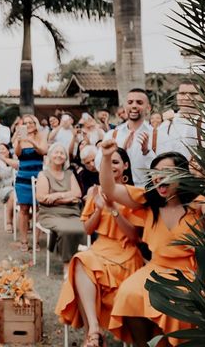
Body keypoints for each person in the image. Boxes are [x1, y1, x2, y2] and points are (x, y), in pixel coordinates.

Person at [99, 141, 205, 346]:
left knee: (176, 305)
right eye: (156, 172)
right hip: (155, 268)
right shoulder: (149, 203)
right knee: (129, 292)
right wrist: (106, 157)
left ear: (182, 175)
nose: (159, 177)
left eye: (167, 172)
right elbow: (109, 188)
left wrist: (201, 193)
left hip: (188, 275)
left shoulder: (198, 205)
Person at [56, 147, 143, 347]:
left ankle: (92, 337)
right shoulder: (95, 191)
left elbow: (135, 236)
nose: (111, 166)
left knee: (84, 264)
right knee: (81, 261)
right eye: (107, 162)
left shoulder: (134, 195)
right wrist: (97, 209)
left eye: (116, 162)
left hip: (125, 252)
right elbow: (87, 229)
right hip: (100, 248)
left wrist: (113, 210)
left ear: (125, 166)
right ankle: (94, 329)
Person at [35, 143, 86, 271]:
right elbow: (43, 198)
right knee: (65, 230)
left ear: (66, 157)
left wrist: (56, 195)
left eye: (62, 153)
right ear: (50, 156)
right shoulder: (43, 175)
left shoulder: (69, 174)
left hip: (72, 213)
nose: (59, 155)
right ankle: (67, 266)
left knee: (84, 228)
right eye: (56, 152)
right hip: (50, 214)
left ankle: (81, 262)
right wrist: (68, 199)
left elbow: (78, 194)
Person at [94, 88, 156, 186]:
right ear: (125, 106)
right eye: (130, 102)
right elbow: (98, 166)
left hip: (145, 192)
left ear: (148, 108)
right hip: (117, 192)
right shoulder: (112, 134)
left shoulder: (155, 134)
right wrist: (120, 152)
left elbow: (160, 171)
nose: (134, 106)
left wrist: (146, 152)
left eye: (139, 102)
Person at [13, 114, 48, 252]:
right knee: (24, 209)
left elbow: (43, 151)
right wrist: (20, 141)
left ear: (35, 123)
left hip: (39, 178)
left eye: (31, 122)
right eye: (26, 123)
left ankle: (36, 241)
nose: (28, 125)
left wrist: (31, 141)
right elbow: (17, 154)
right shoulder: (19, 137)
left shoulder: (42, 135)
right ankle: (24, 240)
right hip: (23, 178)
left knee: (38, 209)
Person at [155, 80, 201, 160]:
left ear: (202, 97)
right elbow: (160, 155)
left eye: (193, 94)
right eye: (182, 93)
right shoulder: (166, 125)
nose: (187, 97)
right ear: (177, 96)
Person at [0, 142, 18, 233]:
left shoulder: (14, 160)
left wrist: (4, 158)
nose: (1, 150)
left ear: (8, 151)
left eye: (3, 148)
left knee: (20, 194)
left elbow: (18, 166)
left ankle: (27, 220)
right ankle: (9, 222)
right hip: (3, 189)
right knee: (13, 195)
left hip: (17, 188)